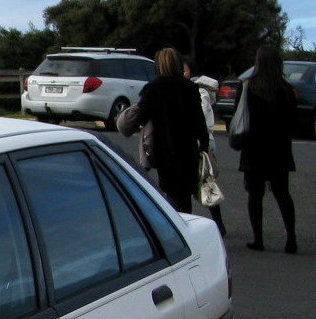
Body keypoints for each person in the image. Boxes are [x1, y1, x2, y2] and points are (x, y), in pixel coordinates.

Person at [121, 47, 207, 213]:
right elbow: (199, 123)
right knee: (184, 198)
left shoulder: (153, 89)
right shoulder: (190, 88)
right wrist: (203, 147)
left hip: (164, 150)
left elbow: (140, 117)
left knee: (172, 196)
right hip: (187, 151)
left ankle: (179, 231)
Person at [235, 44, 298, 254]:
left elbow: (240, 115)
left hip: (254, 148)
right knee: (282, 194)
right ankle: (291, 238)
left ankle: (258, 239)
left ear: (258, 62)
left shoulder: (249, 87)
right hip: (279, 149)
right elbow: (292, 121)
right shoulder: (286, 89)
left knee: (255, 195)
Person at [184, 57, 227, 235]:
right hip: (199, 143)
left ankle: (218, 224)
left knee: (205, 182)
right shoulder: (190, 90)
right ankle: (217, 223)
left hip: (203, 145)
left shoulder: (199, 91)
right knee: (199, 184)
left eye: (184, 70)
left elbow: (202, 119)